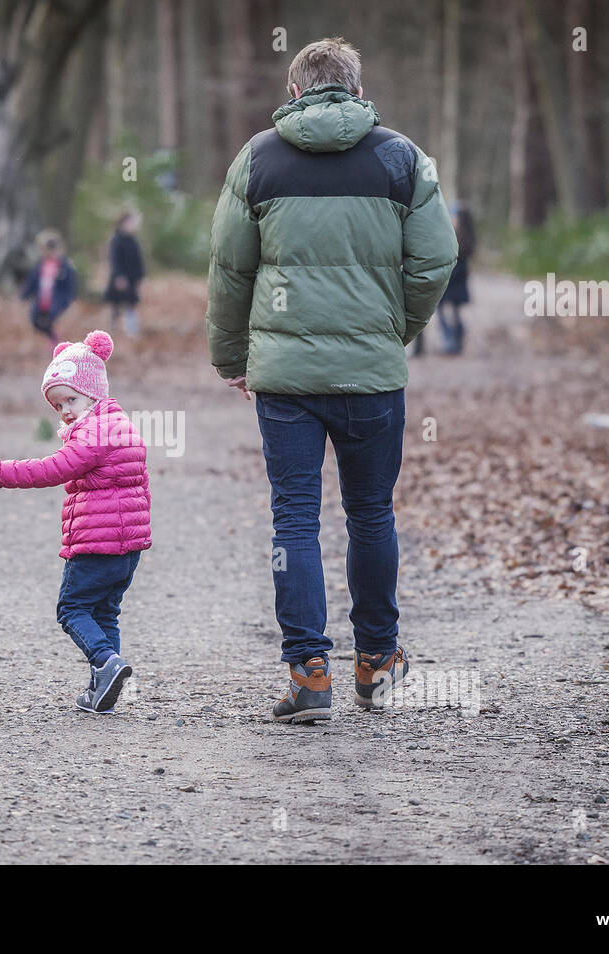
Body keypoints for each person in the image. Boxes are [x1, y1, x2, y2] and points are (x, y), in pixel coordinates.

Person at [205, 37, 457, 721]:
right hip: (372, 377)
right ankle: (376, 662)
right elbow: (435, 260)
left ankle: (309, 673)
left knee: (295, 518)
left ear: (294, 93)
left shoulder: (258, 159)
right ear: (355, 89)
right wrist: (393, 328)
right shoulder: (401, 158)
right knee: (371, 512)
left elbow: (231, 271)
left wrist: (232, 357)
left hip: (286, 382)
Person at [0, 331, 150, 713]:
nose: (65, 410)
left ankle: (106, 664)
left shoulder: (92, 434)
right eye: (57, 405)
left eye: (71, 399)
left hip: (95, 544)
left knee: (71, 609)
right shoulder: (121, 425)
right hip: (127, 547)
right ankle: (101, 689)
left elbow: (54, 468)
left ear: (93, 391)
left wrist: (2, 472)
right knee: (105, 612)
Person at [20, 230, 77, 346]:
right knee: (35, 320)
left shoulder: (65, 266)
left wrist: (68, 299)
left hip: (57, 300)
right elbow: (32, 281)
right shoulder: (40, 265)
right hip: (41, 300)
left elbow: (70, 285)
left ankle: (56, 343)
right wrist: (24, 295)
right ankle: (53, 339)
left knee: (50, 320)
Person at [435, 203, 475, 355]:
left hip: (454, 284)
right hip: (448, 283)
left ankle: (454, 340)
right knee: (443, 311)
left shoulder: (463, 241)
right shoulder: (448, 235)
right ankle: (451, 340)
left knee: (452, 312)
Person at [103, 210, 146, 338]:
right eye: (133, 222)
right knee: (115, 305)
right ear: (124, 222)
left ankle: (131, 330)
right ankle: (113, 331)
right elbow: (114, 260)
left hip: (132, 279)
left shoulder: (133, 241)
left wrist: (140, 277)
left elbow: (139, 261)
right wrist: (118, 276)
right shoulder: (116, 240)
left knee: (131, 304)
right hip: (119, 278)